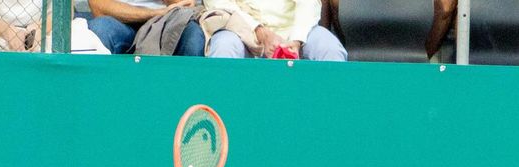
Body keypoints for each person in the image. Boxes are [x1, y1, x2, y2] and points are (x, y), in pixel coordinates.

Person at [205, 0, 348, 58]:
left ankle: (333, 118)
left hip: (294, 30)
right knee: (223, 46)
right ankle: (224, 119)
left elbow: (309, 3)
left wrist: (296, 40)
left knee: (330, 49)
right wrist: (260, 32)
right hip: (243, 33)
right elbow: (219, 4)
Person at [88, 0, 207, 56]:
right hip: (118, 20)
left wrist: (161, 13)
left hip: (167, 19)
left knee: (193, 38)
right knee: (100, 28)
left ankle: (189, 102)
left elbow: (184, 3)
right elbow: (99, 7)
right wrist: (153, 13)